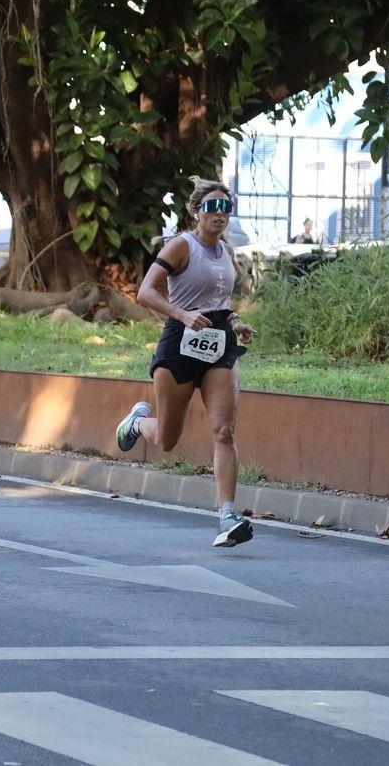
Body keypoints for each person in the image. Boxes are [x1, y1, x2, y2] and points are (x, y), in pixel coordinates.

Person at [115, 178, 258, 547]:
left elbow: (223, 303)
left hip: (219, 345)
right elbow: (146, 291)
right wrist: (182, 314)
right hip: (181, 344)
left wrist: (237, 323)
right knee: (166, 440)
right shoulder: (182, 246)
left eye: (226, 208)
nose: (220, 214)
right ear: (197, 211)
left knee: (224, 431)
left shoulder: (226, 253)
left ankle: (227, 515)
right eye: (213, 207)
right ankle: (138, 422)